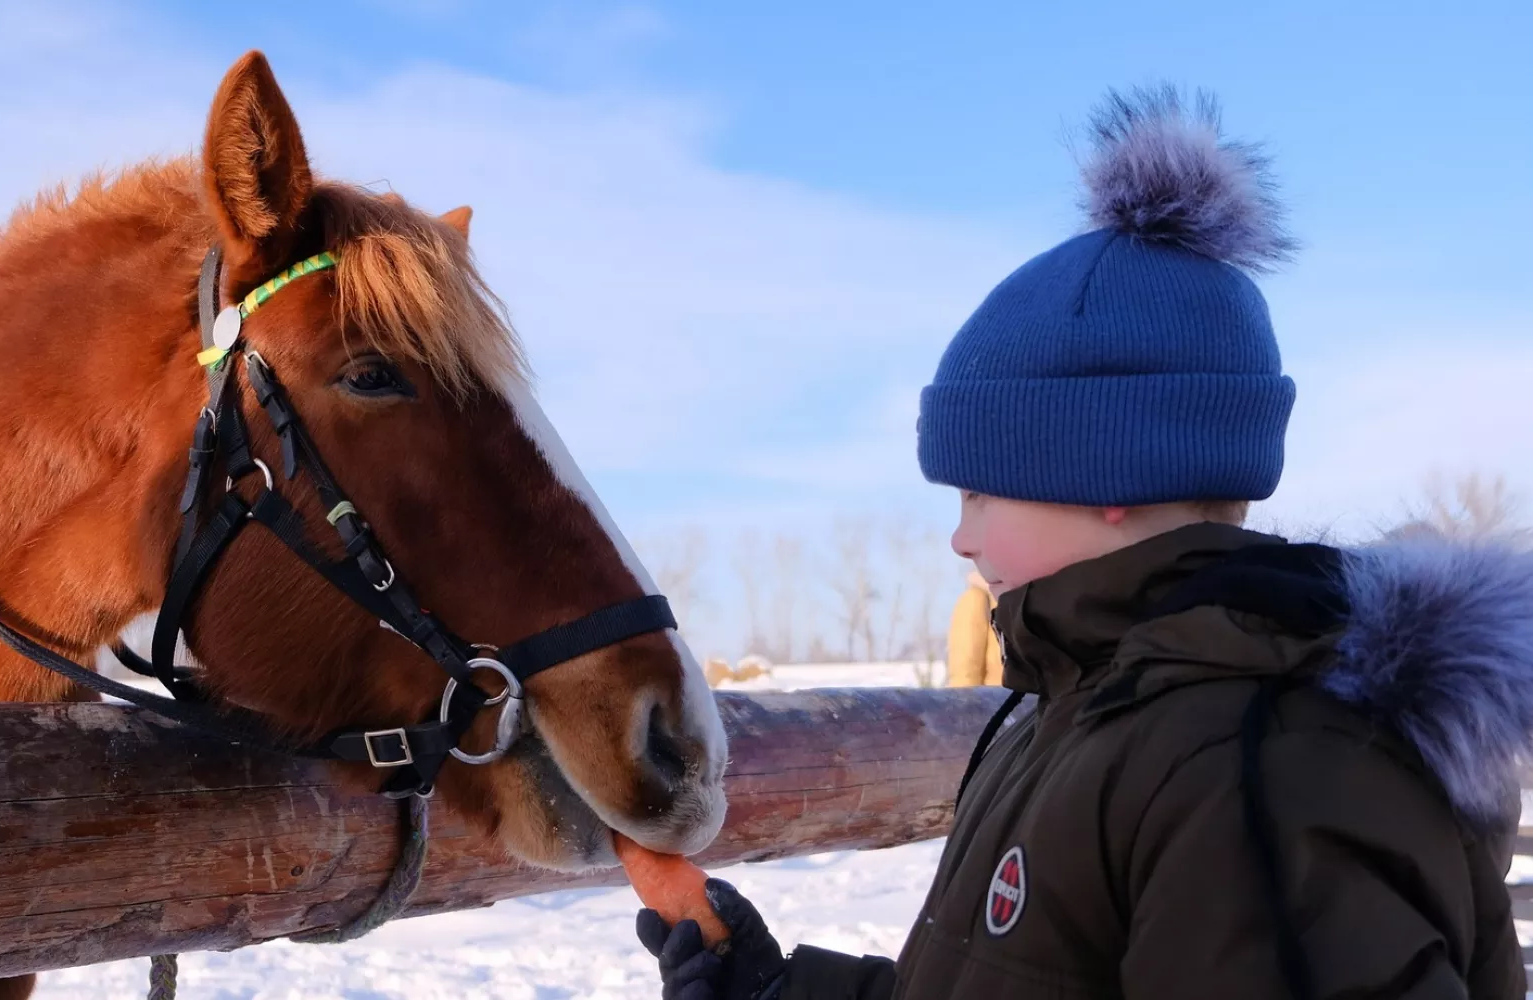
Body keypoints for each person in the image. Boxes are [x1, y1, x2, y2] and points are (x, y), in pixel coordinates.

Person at [633, 85, 1533, 999]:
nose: (958, 535)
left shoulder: (1258, 774)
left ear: (1108, 474)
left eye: (979, 490)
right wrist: (781, 991)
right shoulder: (1086, 706)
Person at [943, 570, 1001, 687]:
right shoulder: (976, 600)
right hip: (997, 700)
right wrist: (964, 703)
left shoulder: (1028, 598)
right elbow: (964, 675)